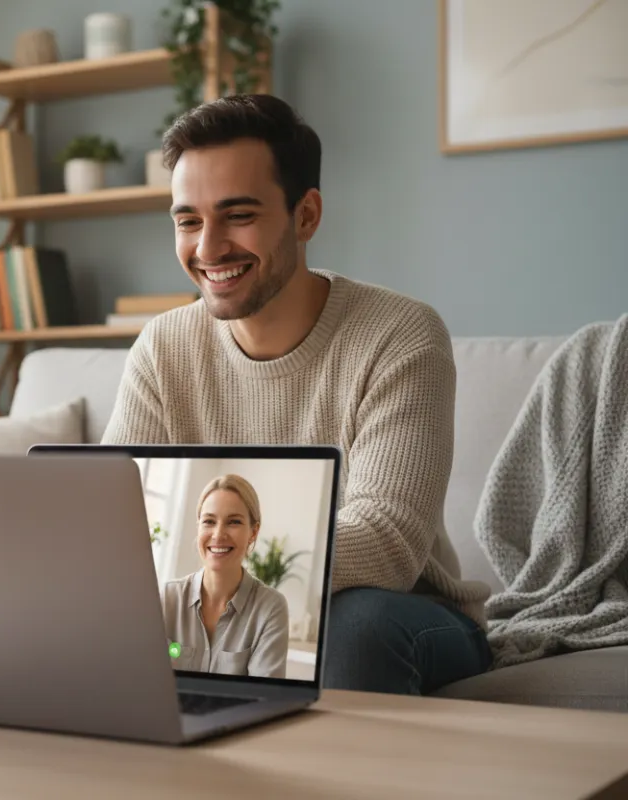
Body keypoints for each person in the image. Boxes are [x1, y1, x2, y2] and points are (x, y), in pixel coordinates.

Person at [103, 94, 493, 695]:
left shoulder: (401, 334)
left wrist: (215, 573)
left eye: (238, 215)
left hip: (407, 613)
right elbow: (112, 515)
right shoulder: (162, 348)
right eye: (188, 221)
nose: (208, 249)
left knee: (353, 626)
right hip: (220, 608)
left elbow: (387, 541)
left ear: (306, 215)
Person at [162, 474, 289, 678]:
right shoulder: (166, 598)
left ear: (253, 532)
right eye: (209, 521)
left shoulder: (270, 608)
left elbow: (264, 697)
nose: (218, 534)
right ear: (199, 526)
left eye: (234, 522)